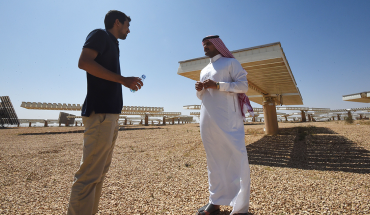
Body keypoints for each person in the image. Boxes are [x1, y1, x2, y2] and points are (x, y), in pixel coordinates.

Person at [67, 10, 143, 215]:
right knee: (89, 174)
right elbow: (83, 62)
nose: (129, 29)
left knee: (98, 173)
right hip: (100, 113)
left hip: (109, 115)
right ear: (117, 22)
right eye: (127, 24)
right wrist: (122, 79)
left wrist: (123, 81)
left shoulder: (112, 42)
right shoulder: (100, 35)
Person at [195, 35, 253, 215]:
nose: (205, 46)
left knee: (237, 157)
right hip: (207, 119)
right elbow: (203, 96)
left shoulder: (230, 63)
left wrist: (218, 85)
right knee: (213, 160)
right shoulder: (204, 69)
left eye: (208, 43)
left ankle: (241, 208)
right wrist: (200, 89)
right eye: (203, 44)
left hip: (228, 119)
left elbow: (243, 86)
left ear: (218, 45)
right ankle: (215, 202)